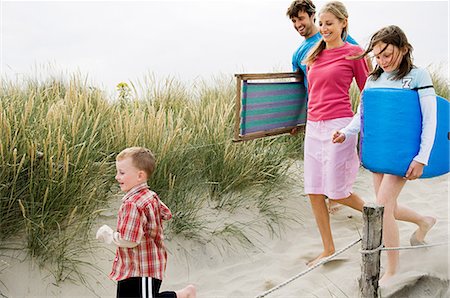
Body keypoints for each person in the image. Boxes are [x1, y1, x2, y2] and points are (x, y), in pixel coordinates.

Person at [332, 25, 437, 284]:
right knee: (385, 205)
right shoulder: (373, 79)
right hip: (379, 153)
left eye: (387, 54)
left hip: (404, 154)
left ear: (403, 49)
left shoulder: (418, 76)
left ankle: (393, 269)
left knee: (382, 207)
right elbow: (363, 116)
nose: (382, 61)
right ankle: (424, 221)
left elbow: (430, 120)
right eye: (377, 55)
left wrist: (421, 157)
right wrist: (346, 132)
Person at [300, 1, 369, 267]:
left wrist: (356, 125)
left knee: (337, 192)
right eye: (322, 23)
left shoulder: (354, 53)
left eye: (329, 23)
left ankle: (375, 216)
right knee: (314, 192)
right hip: (313, 127)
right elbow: (312, 93)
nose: (324, 28)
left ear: (343, 22)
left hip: (338, 126)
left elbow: (368, 93)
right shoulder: (313, 55)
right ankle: (328, 248)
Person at [286, 0, 359, 214]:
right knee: (316, 184)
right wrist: (295, 120)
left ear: (311, 16)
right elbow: (299, 89)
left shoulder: (334, 36)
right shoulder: (299, 54)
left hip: (338, 116)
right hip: (315, 118)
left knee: (335, 181)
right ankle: (333, 203)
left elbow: (359, 59)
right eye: (293, 21)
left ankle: (339, 200)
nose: (298, 24)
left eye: (300, 18)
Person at [96, 147, 196, 298]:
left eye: (122, 173)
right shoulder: (150, 196)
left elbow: (130, 240)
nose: (117, 177)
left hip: (143, 268)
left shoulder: (133, 204)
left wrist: (109, 235)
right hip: (131, 267)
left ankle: (184, 295)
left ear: (140, 176)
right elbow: (166, 213)